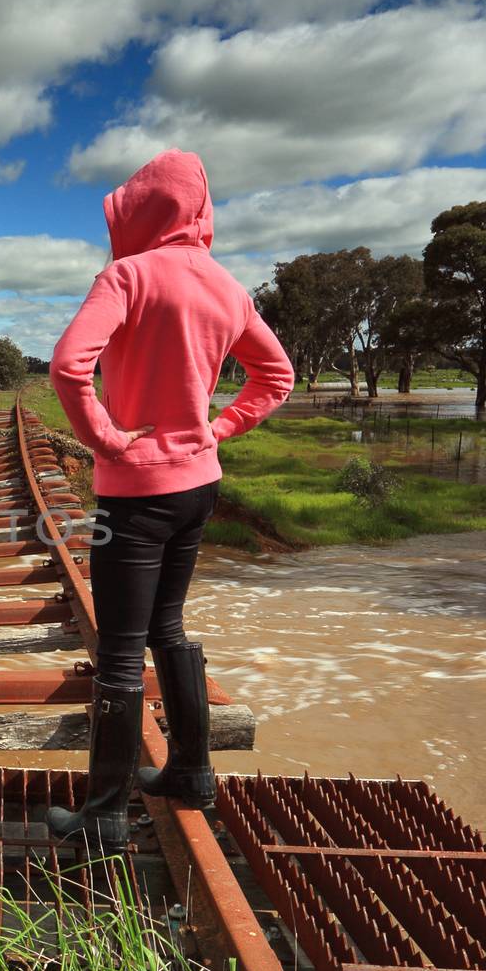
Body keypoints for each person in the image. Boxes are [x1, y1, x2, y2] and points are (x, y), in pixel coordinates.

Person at [45, 149, 294, 844]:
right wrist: (218, 427)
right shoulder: (225, 286)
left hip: (136, 492)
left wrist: (106, 436)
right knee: (169, 628)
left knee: (122, 653)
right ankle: (191, 770)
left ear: (144, 209)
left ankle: (102, 821)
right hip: (198, 487)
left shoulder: (127, 276)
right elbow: (277, 376)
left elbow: (69, 366)